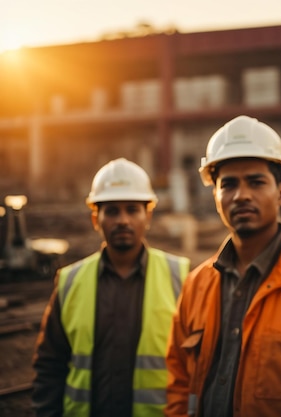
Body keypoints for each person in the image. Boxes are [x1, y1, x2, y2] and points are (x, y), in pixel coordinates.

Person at [165, 115, 281, 417]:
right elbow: (178, 382)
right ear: (215, 195)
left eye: (256, 182)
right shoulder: (197, 285)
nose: (241, 195)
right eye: (228, 184)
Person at [32, 157, 190, 417]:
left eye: (132, 209)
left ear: (147, 216)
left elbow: (197, 368)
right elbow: (50, 365)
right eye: (112, 211)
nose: (123, 220)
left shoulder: (181, 278)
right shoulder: (70, 281)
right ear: (96, 219)